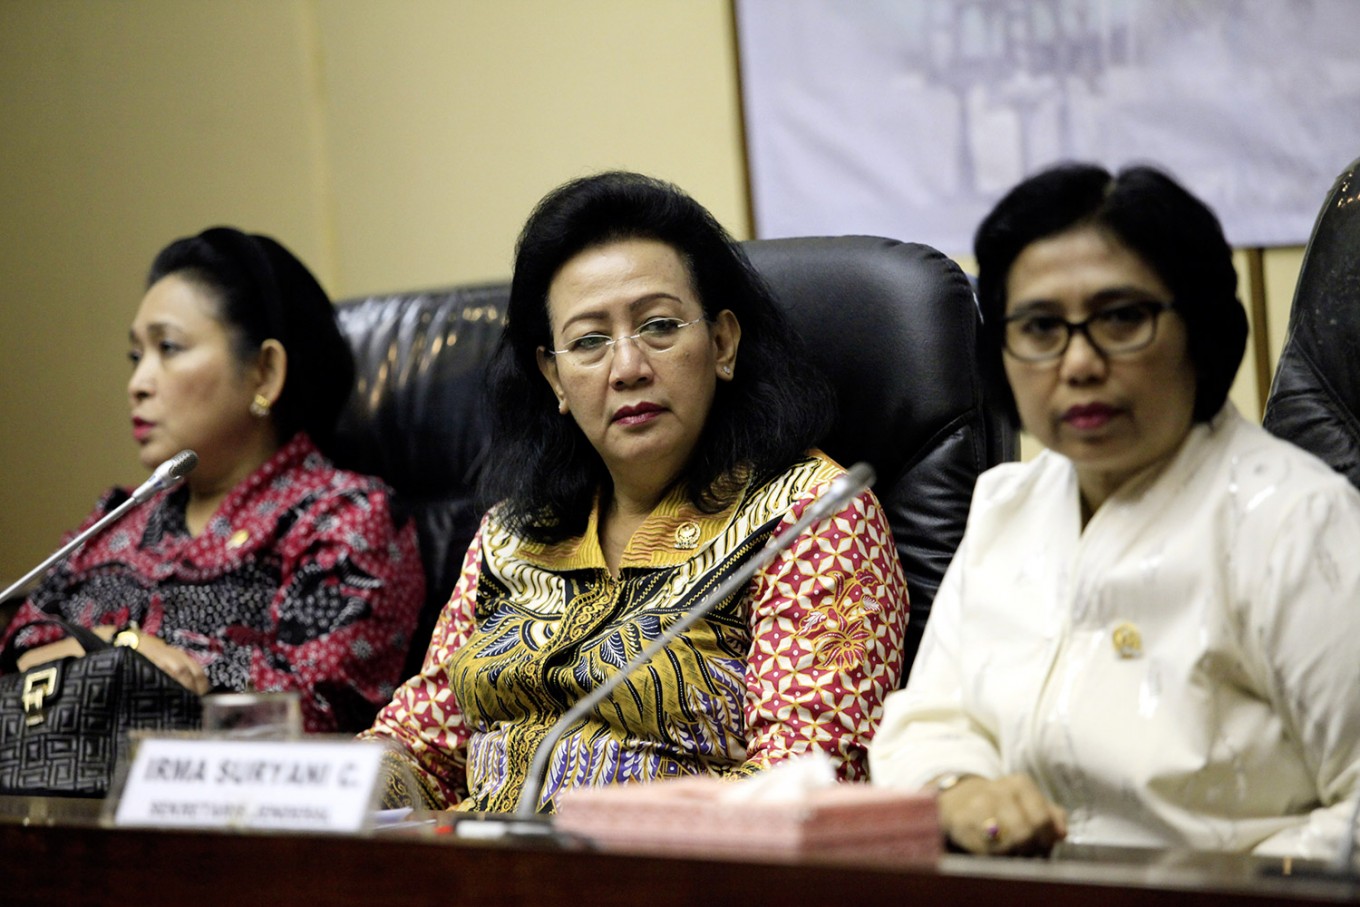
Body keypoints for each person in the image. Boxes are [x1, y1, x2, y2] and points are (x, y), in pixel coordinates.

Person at [361, 171, 910, 813]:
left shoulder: (812, 517)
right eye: (589, 341)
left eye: (658, 327)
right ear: (554, 378)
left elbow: (809, 782)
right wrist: (331, 790)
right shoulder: (513, 533)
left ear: (723, 343)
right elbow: (421, 746)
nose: (627, 368)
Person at [869, 162, 1360, 860]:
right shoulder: (1009, 504)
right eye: (1040, 327)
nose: (1078, 363)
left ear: (1200, 328)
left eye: (1121, 317)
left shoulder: (1296, 525)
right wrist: (959, 787)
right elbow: (930, 721)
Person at [1, 227, 425, 734]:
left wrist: (102, 658)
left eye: (170, 348)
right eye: (137, 357)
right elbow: (19, 651)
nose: (137, 384)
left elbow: (311, 712)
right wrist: (122, 647)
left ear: (264, 373)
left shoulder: (346, 517)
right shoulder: (119, 519)